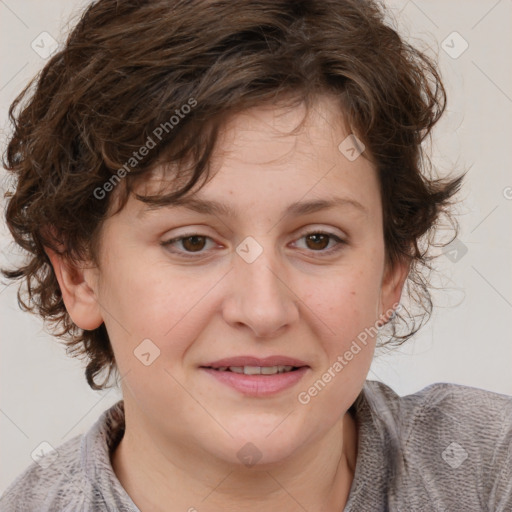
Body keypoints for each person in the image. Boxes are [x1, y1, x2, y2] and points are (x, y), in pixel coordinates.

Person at [1, 0, 510, 510]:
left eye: (318, 240)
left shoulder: (489, 470)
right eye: (193, 242)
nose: (264, 311)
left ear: (391, 271)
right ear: (78, 275)